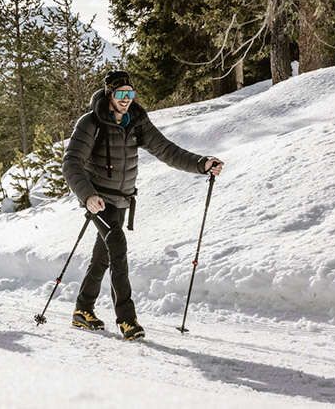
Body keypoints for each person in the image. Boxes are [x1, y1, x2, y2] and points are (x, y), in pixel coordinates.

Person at [62, 70, 224, 340]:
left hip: (122, 199)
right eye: (120, 94)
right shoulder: (92, 122)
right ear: (109, 94)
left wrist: (201, 163)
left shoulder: (136, 120)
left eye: (130, 93)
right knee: (118, 247)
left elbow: (166, 150)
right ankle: (127, 320)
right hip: (99, 201)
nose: (126, 99)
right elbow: (71, 163)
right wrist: (88, 196)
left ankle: (82, 309)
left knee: (103, 257)